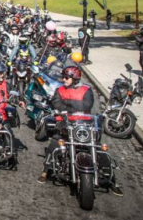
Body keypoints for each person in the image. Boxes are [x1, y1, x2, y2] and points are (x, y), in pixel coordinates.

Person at [35, 66, 123, 195]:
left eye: (66, 77)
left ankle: (112, 179)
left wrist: (67, 104)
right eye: (63, 77)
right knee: (54, 144)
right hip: (65, 123)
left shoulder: (86, 90)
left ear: (74, 79)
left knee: (99, 147)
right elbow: (56, 104)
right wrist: (72, 106)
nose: (63, 79)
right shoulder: (59, 90)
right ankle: (45, 171)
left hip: (84, 123)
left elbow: (87, 105)